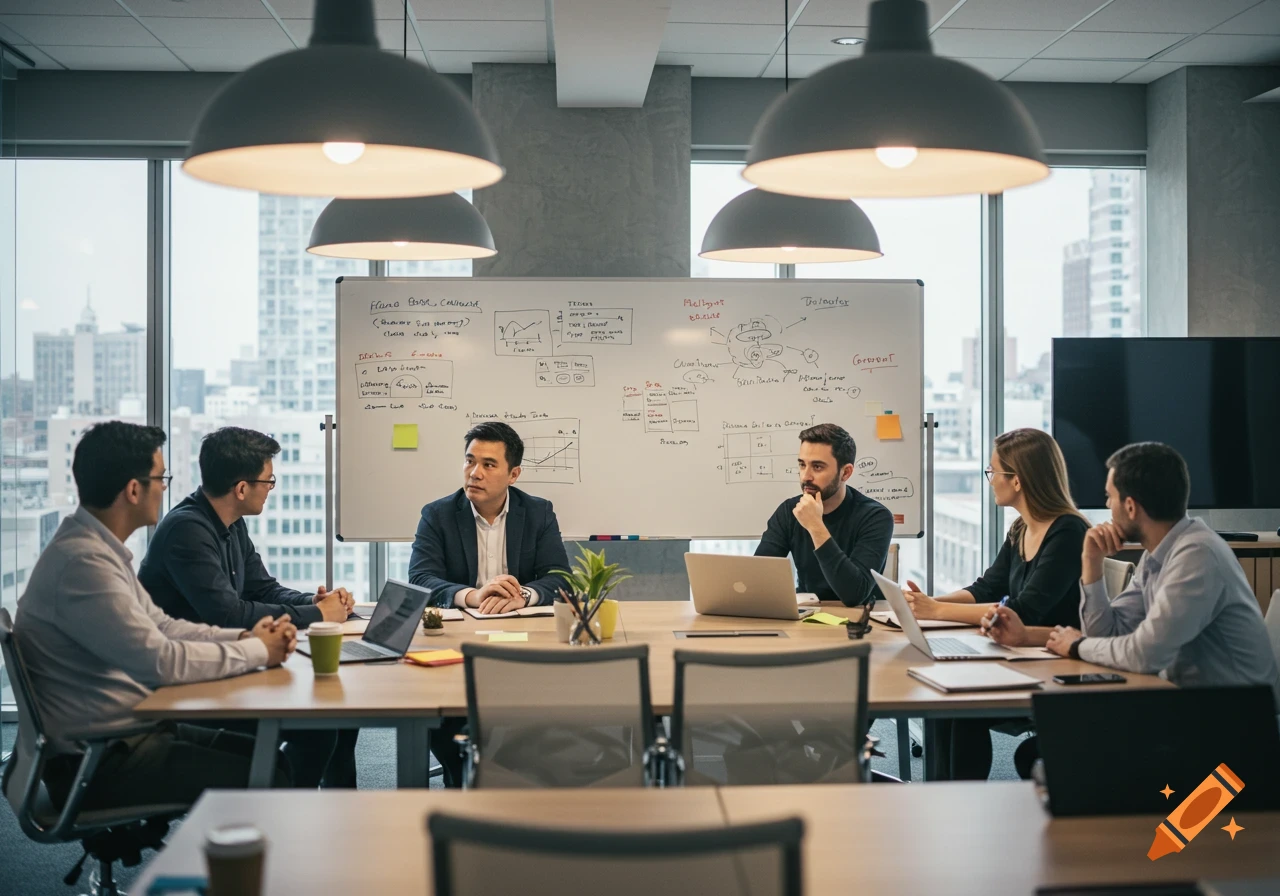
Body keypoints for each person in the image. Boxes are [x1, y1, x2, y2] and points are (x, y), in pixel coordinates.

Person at [12, 422, 297, 811]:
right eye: (160, 478)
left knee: (275, 761)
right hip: (99, 760)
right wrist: (260, 652)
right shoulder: (83, 564)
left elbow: (162, 627)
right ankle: (234, 869)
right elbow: (160, 661)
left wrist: (245, 641)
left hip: (126, 734)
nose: (165, 487)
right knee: (271, 777)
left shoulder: (95, 550)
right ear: (133, 489)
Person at [988, 442, 1280, 710]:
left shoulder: (1198, 555)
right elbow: (1106, 634)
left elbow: (1145, 654)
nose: (1106, 507)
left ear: (1130, 506)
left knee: (1064, 750)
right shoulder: (1158, 555)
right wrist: (1091, 563)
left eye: (1109, 497)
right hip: (1190, 711)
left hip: (1235, 739)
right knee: (1059, 746)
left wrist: (1077, 645)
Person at [139, 426, 354, 787]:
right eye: (268, 482)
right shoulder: (187, 530)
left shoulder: (230, 522)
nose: (271, 489)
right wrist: (319, 616)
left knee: (336, 720)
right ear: (241, 488)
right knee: (319, 726)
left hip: (225, 663)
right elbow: (228, 614)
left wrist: (314, 601)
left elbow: (262, 588)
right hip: (187, 680)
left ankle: (335, 813)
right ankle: (283, 817)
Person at [902, 428, 1089, 780]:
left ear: (1017, 480)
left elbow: (1022, 609)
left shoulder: (1068, 532)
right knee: (945, 704)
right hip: (1020, 655)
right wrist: (925, 602)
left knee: (960, 708)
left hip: (1057, 665)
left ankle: (963, 801)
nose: (990, 481)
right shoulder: (1022, 527)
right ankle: (945, 799)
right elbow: (989, 587)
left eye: (993, 473)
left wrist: (937, 611)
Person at [408, 421, 570, 785]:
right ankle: (459, 779)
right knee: (445, 717)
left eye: (488, 464)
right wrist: (474, 596)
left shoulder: (538, 512)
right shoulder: (438, 514)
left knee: (536, 710)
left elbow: (560, 577)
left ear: (513, 474)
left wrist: (522, 597)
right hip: (459, 640)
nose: (474, 473)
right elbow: (421, 578)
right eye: (469, 461)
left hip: (523, 636)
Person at [754, 423, 892, 607]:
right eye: (802, 465)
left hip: (861, 619)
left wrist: (815, 526)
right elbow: (758, 577)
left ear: (846, 472)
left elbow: (854, 594)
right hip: (808, 614)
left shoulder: (875, 517)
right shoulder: (789, 511)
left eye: (817, 467)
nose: (805, 476)